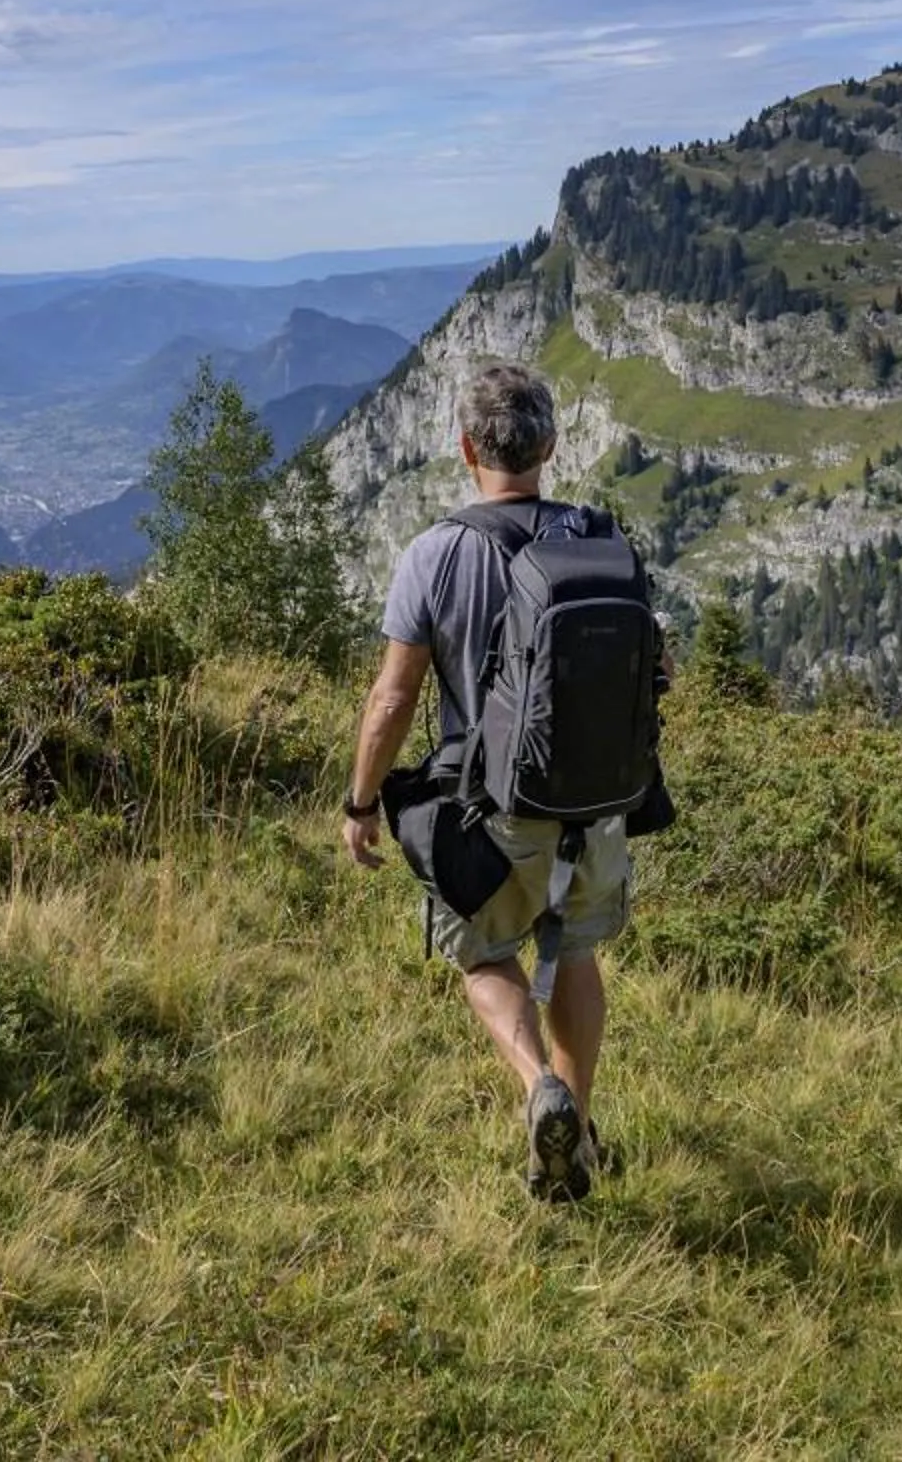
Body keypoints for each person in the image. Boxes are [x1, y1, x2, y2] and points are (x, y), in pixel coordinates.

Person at [343, 362, 643, 1202]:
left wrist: (362, 803)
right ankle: (577, 1126)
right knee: (576, 952)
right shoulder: (598, 536)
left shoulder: (438, 553)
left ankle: (538, 1086)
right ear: (549, 444)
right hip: (598, 805)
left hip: (494, 811)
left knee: (482, 953)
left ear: (467, 447)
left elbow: (393, 696)